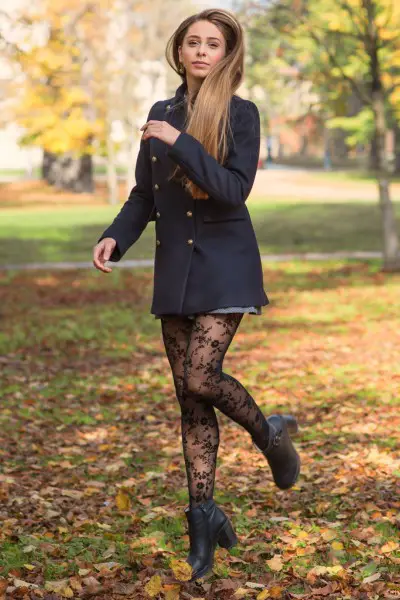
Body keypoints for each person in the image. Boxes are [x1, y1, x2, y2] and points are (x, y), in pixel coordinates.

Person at [93, 8, 300, 583]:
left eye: (214, 43)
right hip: (175, 268)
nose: (203, 51)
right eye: (194, 42)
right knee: (190, 400)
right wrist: (116, 235)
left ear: (227, 53)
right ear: (179, 50)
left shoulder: (240, 113)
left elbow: (233, 190)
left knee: (201, 377)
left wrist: (181, 142)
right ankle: (203, 515)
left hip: (226, 265)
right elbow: (143, 195)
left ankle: (270, 433)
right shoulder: (161, 112)